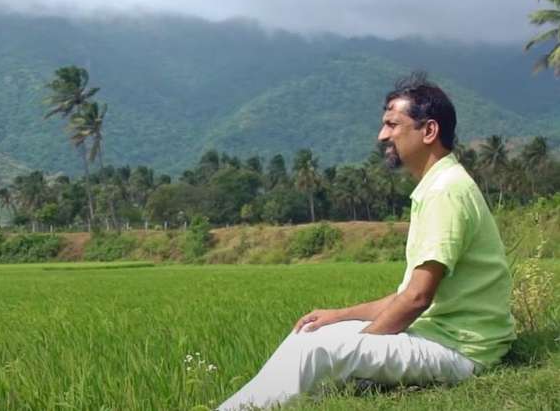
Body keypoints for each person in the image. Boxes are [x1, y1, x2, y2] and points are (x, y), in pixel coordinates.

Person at [218, 72, 516, 410]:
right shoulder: (439, 186)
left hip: (460, 350)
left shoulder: (446, 191)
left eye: (392, 124)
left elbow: (418, 298)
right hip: (438, 336)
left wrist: (359, 349)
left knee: (318, 350)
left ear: (429, 131)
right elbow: (409, 294)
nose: (382, 136)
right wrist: (339, 316)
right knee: (311, 333)